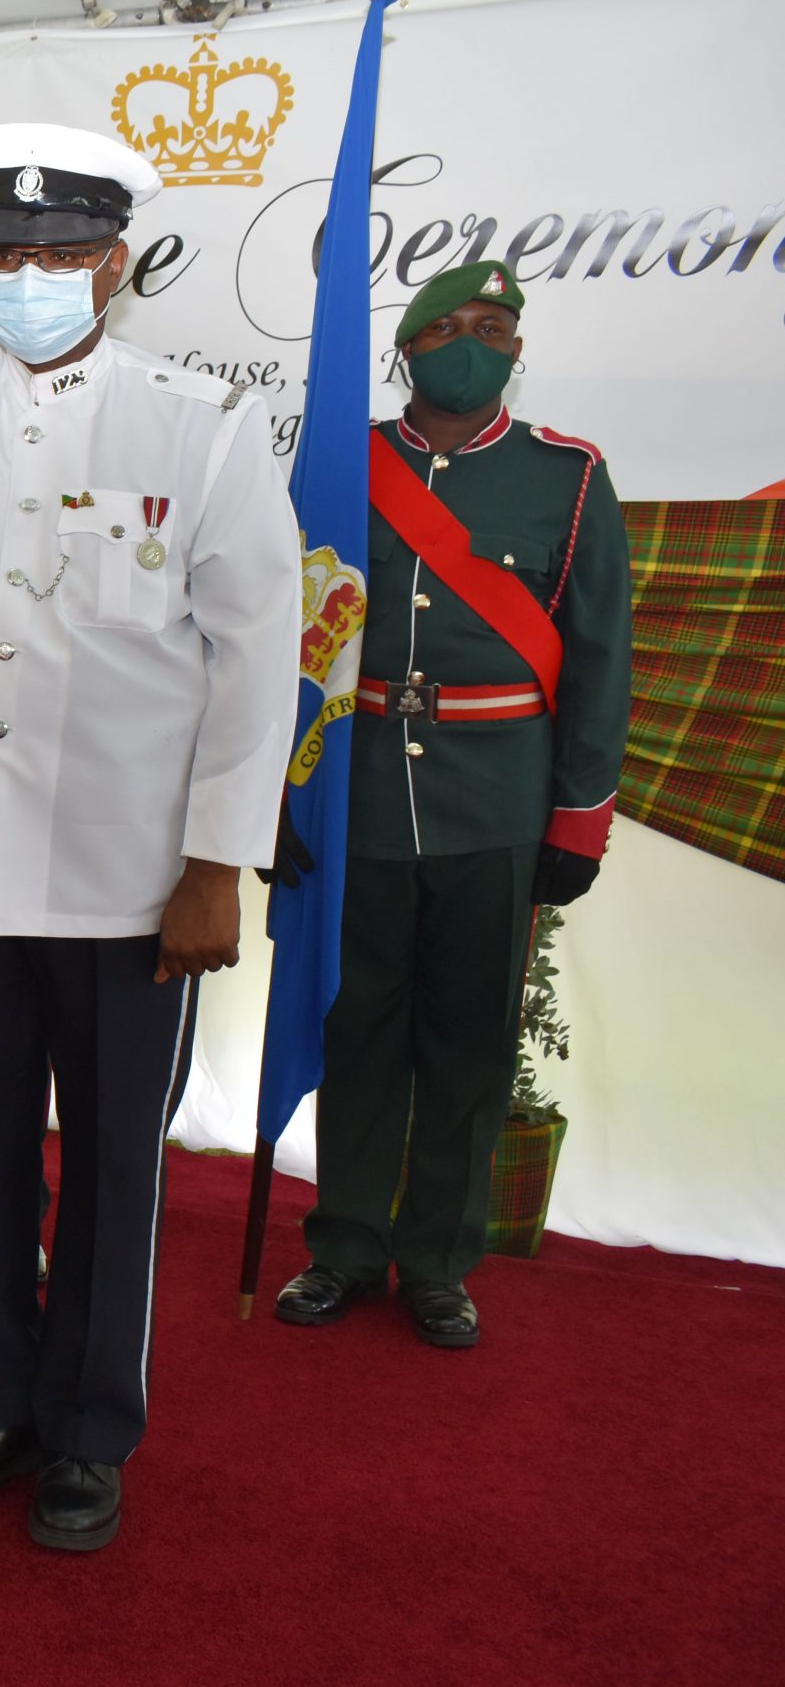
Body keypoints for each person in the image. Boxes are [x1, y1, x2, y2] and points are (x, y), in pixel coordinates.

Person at [0, 124, 301, 1551]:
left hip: (128, 880)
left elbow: (255, 653)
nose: (26, 277)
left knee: (112, 1165)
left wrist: (219, 861)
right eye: (4, 254)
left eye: (56, 255)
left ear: (112, 265)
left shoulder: (199, 425)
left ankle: (91, 1429)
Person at [274, 264, 631, 1349]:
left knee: (468, 1042)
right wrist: (277, 793)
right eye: (450, 329)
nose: (472, 344)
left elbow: (601, 657)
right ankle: (343, 1246)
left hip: (496, 800)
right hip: (362, 792)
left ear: (517, 349)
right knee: (357, 1026)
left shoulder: (566, 477)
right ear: (409, 348)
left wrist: (577, 821)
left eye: (495, 327)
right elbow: (288, 630)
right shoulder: (346, 461)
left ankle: (436, 1260)